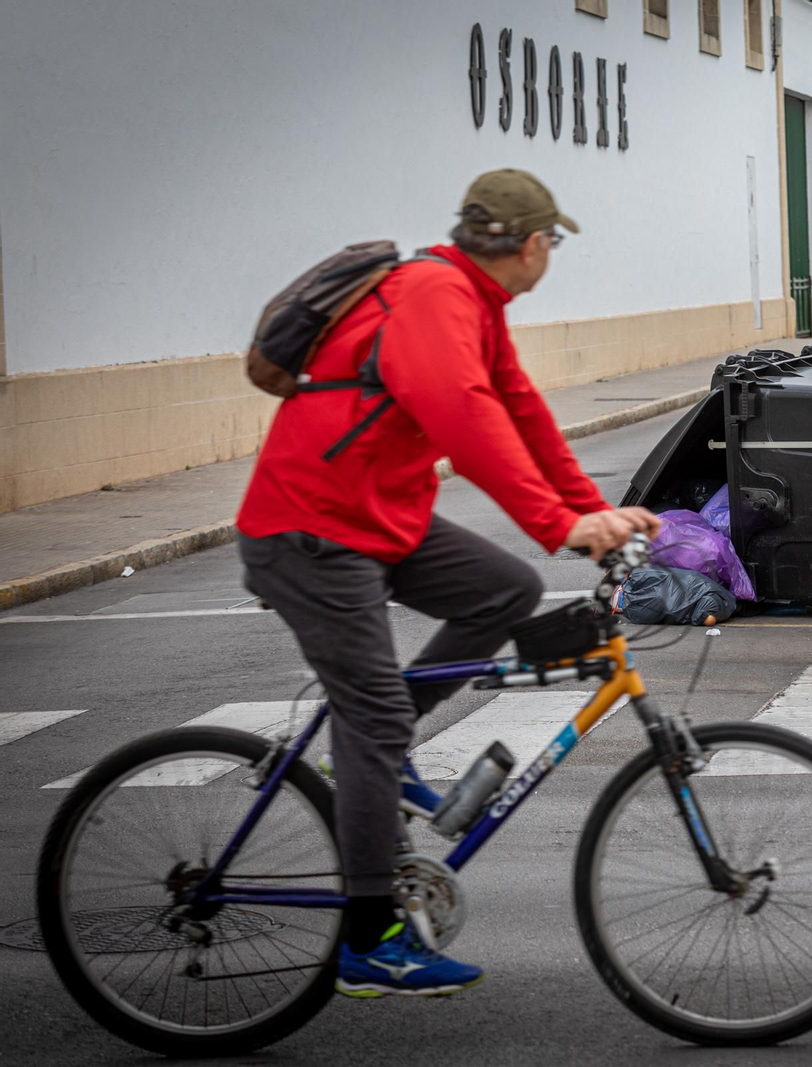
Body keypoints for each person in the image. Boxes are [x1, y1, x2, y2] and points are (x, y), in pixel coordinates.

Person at [236, 169, 659, 997]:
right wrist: (559, 526)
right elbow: (466, 424)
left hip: (376, 517)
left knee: (501, 589)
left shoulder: (475, 301)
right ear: (532, 244)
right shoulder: (433, 294)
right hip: (310, 529)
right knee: (375, 715)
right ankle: (370, 938)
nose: (552, 255)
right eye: (554, 242)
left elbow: (520, 413)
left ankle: (383, 755)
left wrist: (591, 508)